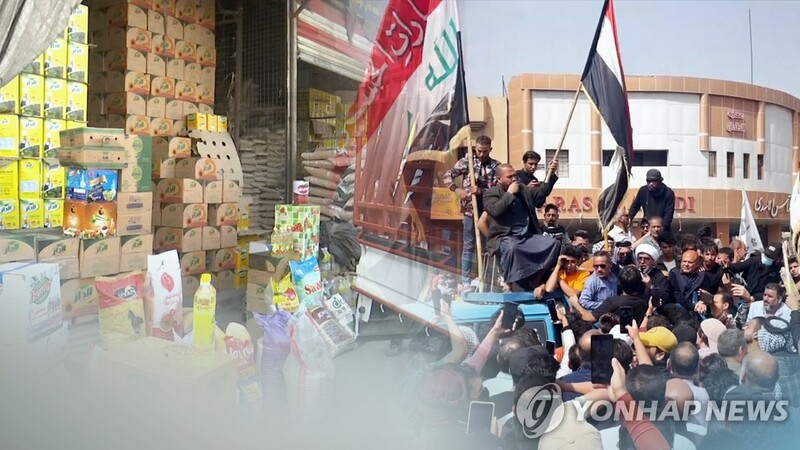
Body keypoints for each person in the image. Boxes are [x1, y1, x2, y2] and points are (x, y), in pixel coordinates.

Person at [483, 164, 561, 290]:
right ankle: (508, 281)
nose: (514, 179)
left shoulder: (523, 189)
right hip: (506, 236)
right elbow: (496, 210)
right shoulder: (491, 193)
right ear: (498, 179)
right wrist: (509, 194)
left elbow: (540, 195)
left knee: (554, 244)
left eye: (514, 175)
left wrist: (550, 174)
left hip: (527, 235)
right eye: (509, 177)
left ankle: (537, 279)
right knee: (512, 249)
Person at [443, 135, 501, 289]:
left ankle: (486, 279)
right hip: (470, 211)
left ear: (490, 149)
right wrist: (458, 189)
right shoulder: (466, 162)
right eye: (479, 151)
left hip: (488, 212)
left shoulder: (496, 166)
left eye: (485, 151)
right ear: (475, 149)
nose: (481, 154)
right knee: (469, 246)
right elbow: (447, 176)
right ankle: (466, 281)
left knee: (487, 246)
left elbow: (499, 188)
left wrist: (481, 191)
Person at [570, 265, 649, 324]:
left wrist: (576, 304)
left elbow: (589, 317)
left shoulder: (614, 302)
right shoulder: (646, 297)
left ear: (620, 283)